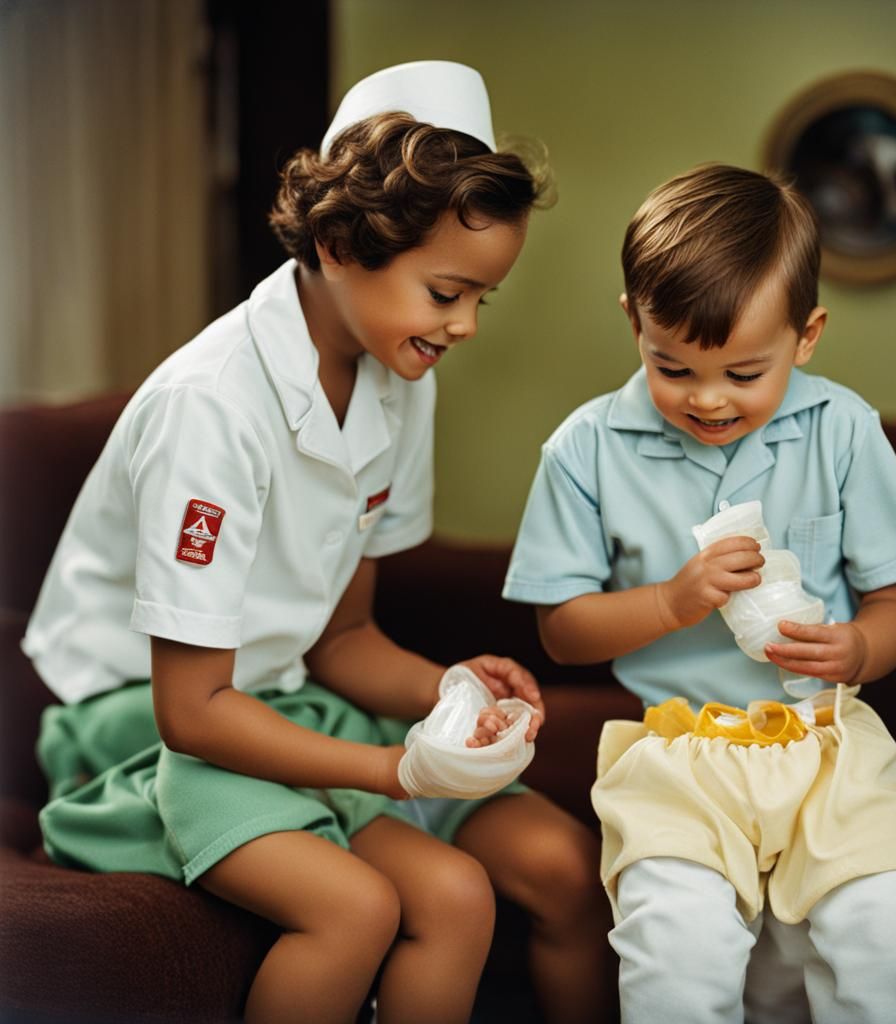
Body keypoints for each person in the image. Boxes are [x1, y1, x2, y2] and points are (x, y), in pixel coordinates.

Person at [23, 61, 612, 1024]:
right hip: (148, 719)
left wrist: (453, 691)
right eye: (446, 291)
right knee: (371, 905)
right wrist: (394, 770)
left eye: (482, 299)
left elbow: (340, 639)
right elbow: (192, 711)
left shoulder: (401, 376)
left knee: (552, 867)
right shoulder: (210, 408)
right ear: (339, 246)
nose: (465, 326)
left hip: (281, 695)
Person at [501, 162, 896, 1024]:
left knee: (888, 936)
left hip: (827, 746)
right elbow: (561, 632)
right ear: (633, 323)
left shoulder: (843, 430)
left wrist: (860, 646)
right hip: (679, 757)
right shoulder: (585, 450)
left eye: (744, 374)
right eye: (672, 368)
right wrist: (669, 602)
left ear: (806, 336)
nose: (708, 401)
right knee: (677, 954)